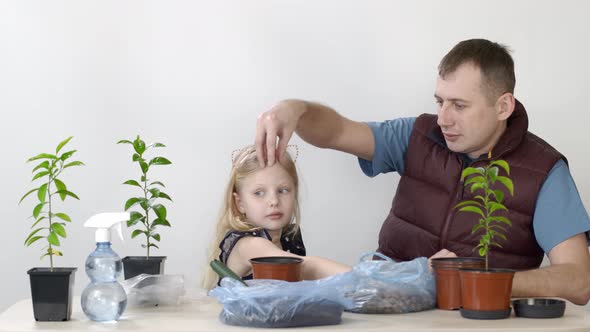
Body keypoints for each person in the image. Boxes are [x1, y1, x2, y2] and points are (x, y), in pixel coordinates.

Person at [254, 39, 590, 304]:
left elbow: (578, 280)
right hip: (385, 311)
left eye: (459, 105)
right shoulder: (417, 135)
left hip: (472, 321)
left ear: (503, 106)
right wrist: (294, 110)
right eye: (440, 102)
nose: (443, 119)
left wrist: (476, 282)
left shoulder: (544, 171)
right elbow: (336, 132)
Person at [202, 145, 350, 289]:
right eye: (259, 193)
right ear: (240, 203)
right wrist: (361, 276)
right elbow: (306, 267)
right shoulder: (248, 245)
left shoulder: (288, 239)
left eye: (283, 190)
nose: (274, 201)